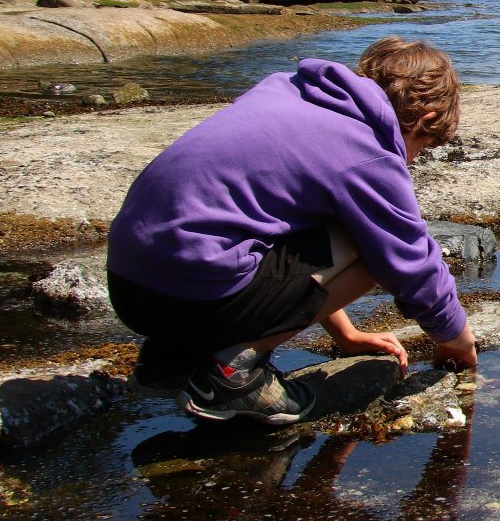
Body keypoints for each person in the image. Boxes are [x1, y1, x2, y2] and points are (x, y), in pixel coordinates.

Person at [106, 36, 478, 424]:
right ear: (427, 119)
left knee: (314, 222)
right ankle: (231, 376)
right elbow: (410, 262)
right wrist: (456, 338)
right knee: (372, 247)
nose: (412, 159)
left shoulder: (287, 90)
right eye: (423, 146)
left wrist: (346, 336)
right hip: (192, 299)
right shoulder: (365, 149)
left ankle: (171, 360)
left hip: (131, 290)